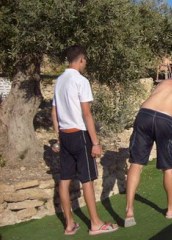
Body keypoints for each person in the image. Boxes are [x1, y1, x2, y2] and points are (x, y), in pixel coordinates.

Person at [51, 45, 118, 236]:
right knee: (87, 179)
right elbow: (86, 114)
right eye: (86, 60)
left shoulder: (59, 81)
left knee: (64, 180)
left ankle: (69, 224)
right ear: (81, 59)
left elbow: (54, 112)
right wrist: (95, 142)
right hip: (80, 134)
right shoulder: (81, 81)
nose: (86, 64)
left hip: (65, 134)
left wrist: (59, 136)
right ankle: (95, 224)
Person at [125, 69, 172, 227]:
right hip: (163, 120)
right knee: (167, 168)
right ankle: (170, 209)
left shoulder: (166, 82)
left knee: (136, 163)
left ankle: (129, 210)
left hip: (144, 115)